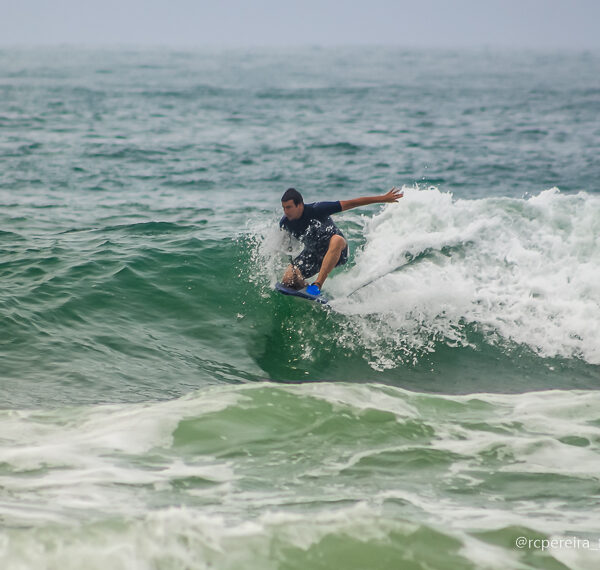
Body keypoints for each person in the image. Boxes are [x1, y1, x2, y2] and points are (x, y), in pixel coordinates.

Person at [279, 187, 403, 295]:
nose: (286, 211)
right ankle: (307, 290)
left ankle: (317, 285)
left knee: (337, 239)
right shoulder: (285, 223)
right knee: (288, 279)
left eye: (289, 207)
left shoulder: (317, 209)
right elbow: (287, 246)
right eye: (284, 208)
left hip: (337, 250)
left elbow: (351, 203)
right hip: (313, 254)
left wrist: (382, 198)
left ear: (299, 205)